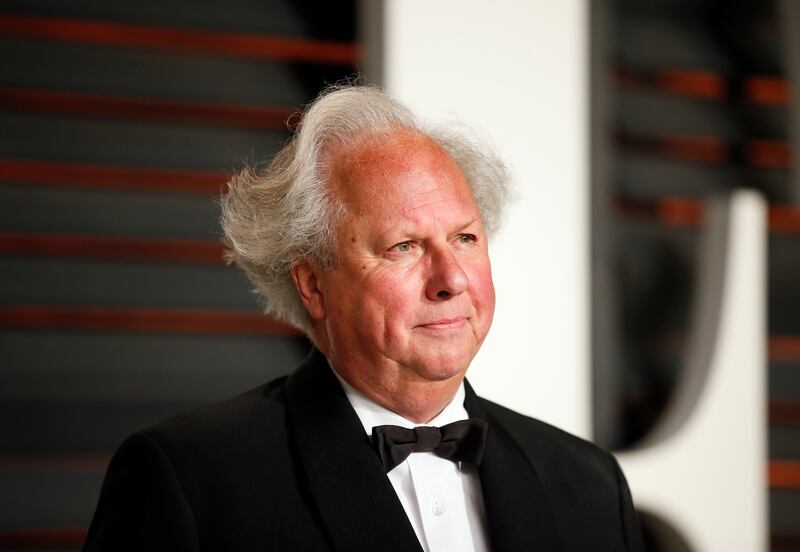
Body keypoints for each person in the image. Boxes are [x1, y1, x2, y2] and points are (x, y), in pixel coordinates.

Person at [84, 85, 644, 552]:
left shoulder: (591, 483)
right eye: (404, 246)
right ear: (313, 285)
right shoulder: (189, 479)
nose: (451, 279)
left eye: (465, 238)